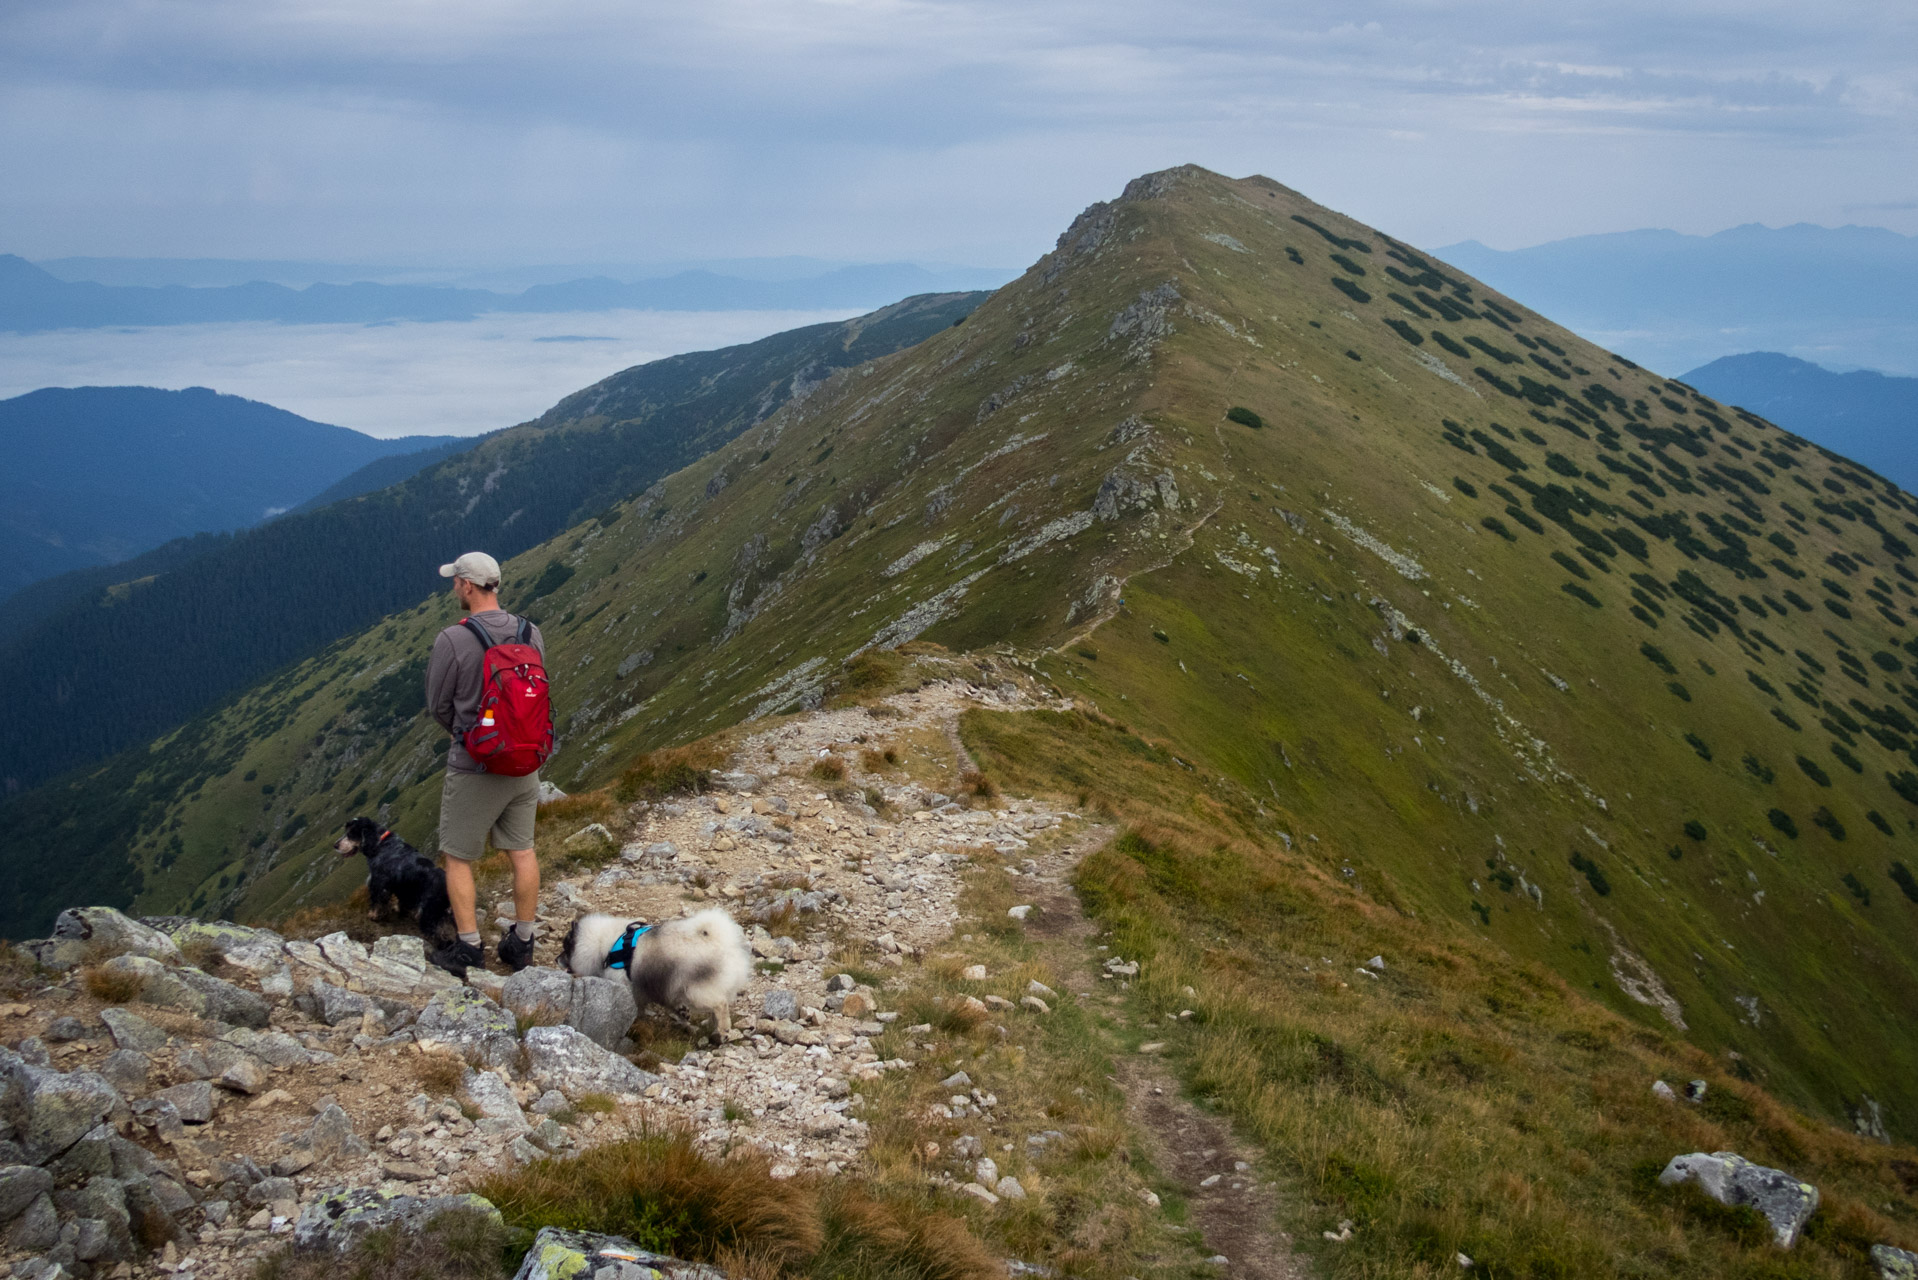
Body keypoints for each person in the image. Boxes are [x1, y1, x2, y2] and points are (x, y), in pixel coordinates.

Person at [424, 551, 545, 976]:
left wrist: (470, 739)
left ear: (468, 587)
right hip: (525, 763)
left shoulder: (453, 639)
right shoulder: (531, 632)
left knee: (458, 857)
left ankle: (470, 949)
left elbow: (438, 706)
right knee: (522, 850)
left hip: (474, 766)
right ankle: (523, 943)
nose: (453, 586)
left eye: (455, 581)